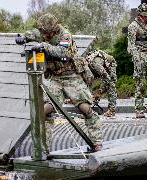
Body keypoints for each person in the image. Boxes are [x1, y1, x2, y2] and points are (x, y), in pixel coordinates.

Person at [15, 13, 103, 153]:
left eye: (47, 32)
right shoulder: (42, 32)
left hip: (71, 76)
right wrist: (23, 37)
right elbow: (33, 33)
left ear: (54, 29)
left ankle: (97, 143)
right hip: (55, 78)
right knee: (45, 110)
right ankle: (44, 148)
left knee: (86, 108)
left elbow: (62, 52)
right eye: (44, 32)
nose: (45, 34)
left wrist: (43, 46)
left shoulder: (64, 35)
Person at [86, 50, 117, 117]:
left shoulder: (96, 64)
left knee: (111, 85)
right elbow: (87, 83)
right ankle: (92, 101)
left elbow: (107, 80)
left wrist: (100, 92)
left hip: (110, 64)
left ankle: (112, 110)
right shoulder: (85, 69)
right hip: (100, 66)